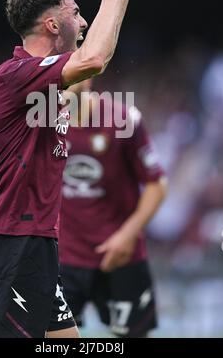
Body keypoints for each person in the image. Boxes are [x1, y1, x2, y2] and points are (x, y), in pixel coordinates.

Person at [0, 0, 140, 338]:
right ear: (51, 23)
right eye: (76, 13)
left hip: (35, 241)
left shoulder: (45, 83)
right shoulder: (17, 75)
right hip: (12, 240)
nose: (82, 22)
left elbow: (94, 61)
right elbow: (93, 57)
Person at [59, 79, 167, 338]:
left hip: (121, 255)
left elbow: (157, 185)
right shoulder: (41, 124)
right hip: (62, 258)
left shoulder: (123, 119)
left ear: (88, 75)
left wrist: (127, 235)